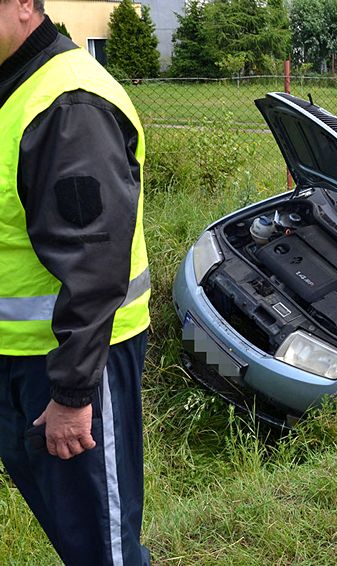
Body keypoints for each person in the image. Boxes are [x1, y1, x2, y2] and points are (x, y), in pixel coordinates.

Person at [0, 0, 151, 564]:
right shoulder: (14, 85)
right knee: (73, 532)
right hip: (20, 356)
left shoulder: (68, 105)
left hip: (71, 363)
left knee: (101, 547)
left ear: (23, 5)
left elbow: (94, 265)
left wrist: (71, 395)